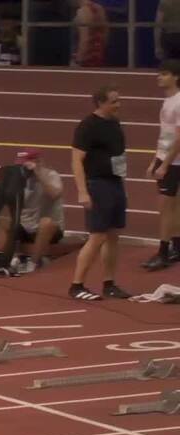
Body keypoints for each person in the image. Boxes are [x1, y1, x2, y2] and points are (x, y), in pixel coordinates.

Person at [70, 85, 131, 301]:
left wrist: (122, 184)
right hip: (97, 184)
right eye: (114, 101)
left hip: (115, 183)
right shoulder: (88, 126)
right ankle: (77, 285)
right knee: (97, 236)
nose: (118, 105)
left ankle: (109, 283)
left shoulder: (115, 123)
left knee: (113, 236)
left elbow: (118, 156)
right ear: (100, 103)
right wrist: (82, 191)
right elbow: (76, 160)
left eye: (119, 100)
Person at [145, 60, 180, 272]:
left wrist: (164, 164)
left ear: (176, 77)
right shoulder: (168, 101)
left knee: (165, 208)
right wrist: (155, 160)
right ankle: (177, 247)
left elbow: (179, 138)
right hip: (166, 158)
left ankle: (163, 253)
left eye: (164, 74)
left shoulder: (178, 102)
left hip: (173, 161)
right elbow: (164, 135)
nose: (159, 77)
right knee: (174, 206)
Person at [11, 150, 65, 274]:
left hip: (49, 228)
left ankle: (33, 263)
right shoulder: (19, 179)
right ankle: (13, 259)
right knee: (2, 221)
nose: (23, 168)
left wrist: (38, 174)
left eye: (25, 165)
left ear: (38, 162)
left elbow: (54, 194)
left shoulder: (51, 175)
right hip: (25, 226)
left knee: (46, 222)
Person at [74, 0, 108, 68]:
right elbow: (105, 36)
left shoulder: (82, 12)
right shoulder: (100, 9)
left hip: (85, 60)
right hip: (99, 58)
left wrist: (78, 61)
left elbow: (84, 40)